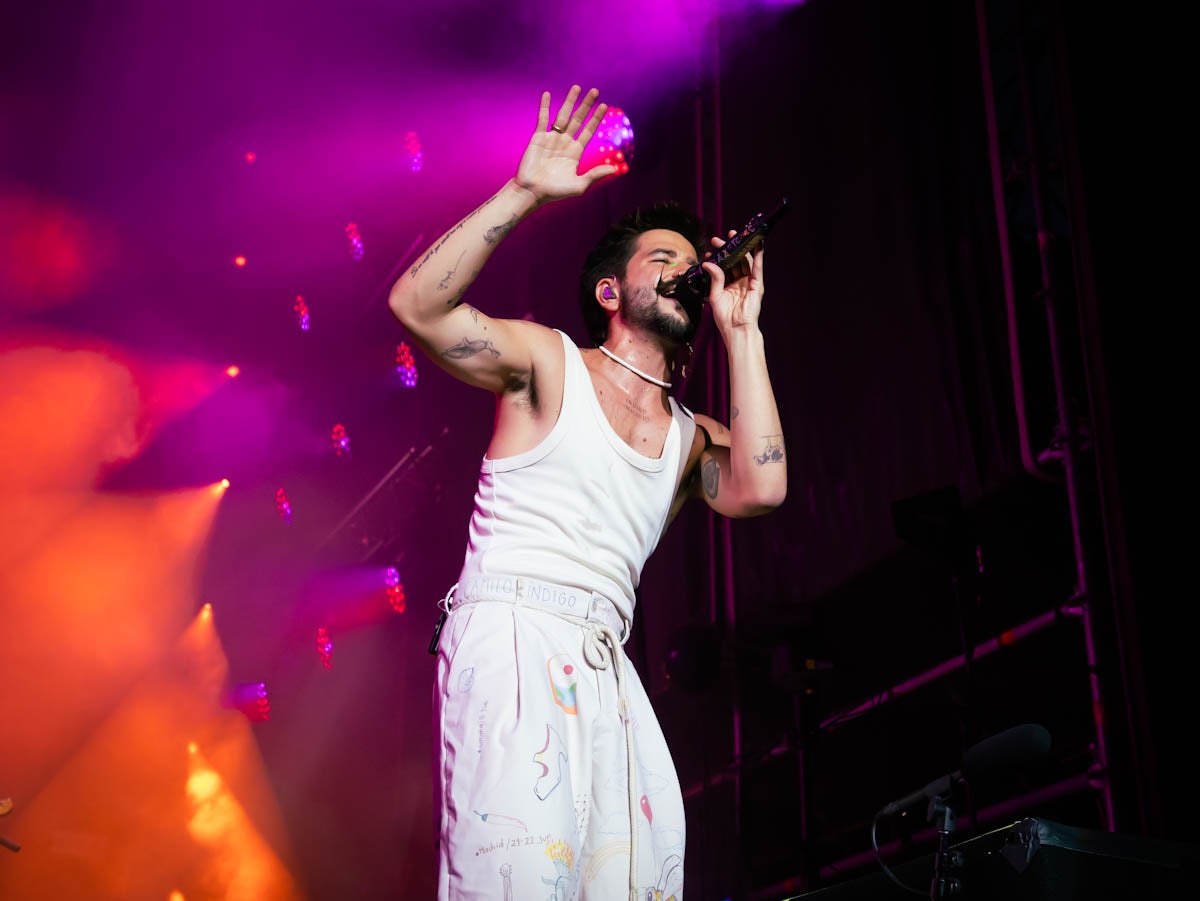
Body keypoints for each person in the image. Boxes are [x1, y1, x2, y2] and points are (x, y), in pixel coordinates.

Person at [388, 84, 786, 901]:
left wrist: (742, 331)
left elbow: (762, 487)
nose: (684, 271)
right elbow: (416, 306)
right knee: (520, 876)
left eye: (690, 261)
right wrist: (524, 191)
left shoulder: (690, 436)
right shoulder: (546, 363)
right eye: (662, 260)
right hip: (514, 630)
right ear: (612, 293)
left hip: (607, 662)